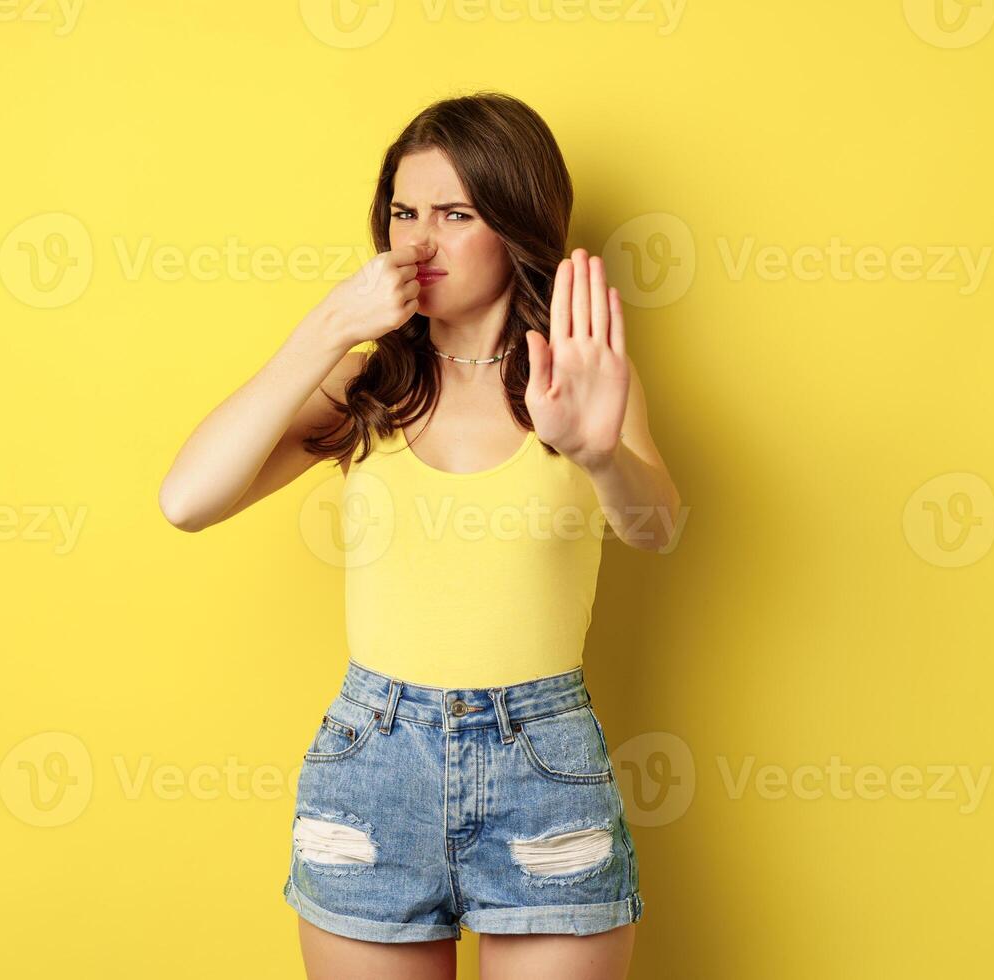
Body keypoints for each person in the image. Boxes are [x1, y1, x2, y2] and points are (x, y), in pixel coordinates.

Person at [157, 92, 684, 980]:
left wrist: (598, 454)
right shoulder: (371, 388)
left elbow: (657, 528)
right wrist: (327, 330)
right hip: (373, 765)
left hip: (542, 767)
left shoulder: (580, 382)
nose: (418, 242)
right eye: (403, 213)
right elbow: (187, 500)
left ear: (514, 223)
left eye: (454, 213)